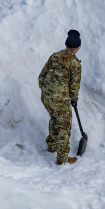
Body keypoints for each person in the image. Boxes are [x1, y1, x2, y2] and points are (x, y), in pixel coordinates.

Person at [38, 30, 82, 165]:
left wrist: (47, 91)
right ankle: (62, 158)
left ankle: (52, 145)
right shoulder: (75, 64)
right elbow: (74, 86)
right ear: (77, 48)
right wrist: (73, 98)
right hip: (60, 99)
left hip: (46, 96)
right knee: (64, 126)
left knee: (55, 118)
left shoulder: (54, 56)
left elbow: (42, 76)